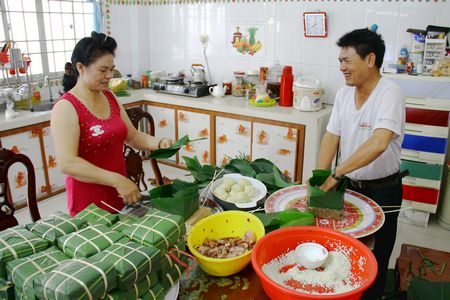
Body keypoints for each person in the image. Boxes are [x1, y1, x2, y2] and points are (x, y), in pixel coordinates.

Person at [316, 28, 405, 300]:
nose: (342, 67)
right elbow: (332, 137)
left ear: (370, 59)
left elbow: (379, 143)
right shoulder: (344, 94)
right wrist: (319, 180)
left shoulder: (390, 93)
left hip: (382, 191)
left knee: (376, 256)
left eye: (347, 61)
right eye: (340, 61)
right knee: (344, 250)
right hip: (350, 189)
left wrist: (336, 172)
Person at [51, 32, 173, 216]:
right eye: (102, 70)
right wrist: (116, 180)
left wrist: (159, 142)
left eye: (112, 69)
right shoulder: (66, 107)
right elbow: (68, 163)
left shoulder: (109, 96)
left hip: (120, 195)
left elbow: (132, 136)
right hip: (89, 205)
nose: (110, 75)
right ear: (81, 67)